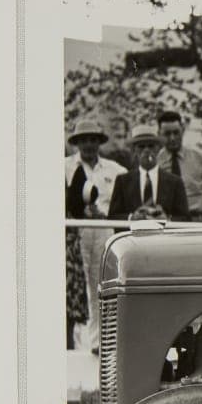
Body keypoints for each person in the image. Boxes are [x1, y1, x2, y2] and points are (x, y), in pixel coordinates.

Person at [65, 117, 127, 355]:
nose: (89, 145)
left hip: (104, 232)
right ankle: (78, 346)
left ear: (99, 142)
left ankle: (101, 342)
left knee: (102, 283)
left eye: (93, 140)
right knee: (78, 288)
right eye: (84, 140)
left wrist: (106, 215)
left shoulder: (116, 170)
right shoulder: (65, 167)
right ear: (77, 143)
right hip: (76, 233)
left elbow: (122, 202)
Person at [107, 124, 191, 221]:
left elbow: (185, 218)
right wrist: (131, 218)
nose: (146, 151)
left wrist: (167, 219)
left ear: (158, 149)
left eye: (151, 146)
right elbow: (113, 216)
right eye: (141, 147)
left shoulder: (174, 181)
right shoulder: (123, 181)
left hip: (163, 235)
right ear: (134, 150)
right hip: (133, 235)